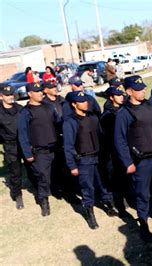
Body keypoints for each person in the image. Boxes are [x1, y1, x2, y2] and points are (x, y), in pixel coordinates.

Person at [114, 75, 152, 242]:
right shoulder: (124, 113)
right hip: (140, 161)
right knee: (142, 194)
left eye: (143, 88)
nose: (142, 91)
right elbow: (119, 140)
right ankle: (144, 223)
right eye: (138, 89)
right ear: (128, 91)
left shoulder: (150, 106)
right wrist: (128, 163)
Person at [62, 91, 118, 229]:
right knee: (87, 188)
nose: (86, 103)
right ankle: (90, 214)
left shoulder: (93, 117)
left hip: (99, 156)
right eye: (81, 101)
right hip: (83, 160)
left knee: (104, 182)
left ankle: (109, 204)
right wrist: (72, 165)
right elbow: (68, 146)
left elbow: (102, 137)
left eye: (86, 100)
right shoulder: (70, 122)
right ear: (74, 104)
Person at [18, 83, 60, 216]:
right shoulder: (26, 112)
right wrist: (27, 153)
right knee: (43, 178)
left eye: (41, 91)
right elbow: (23, 134)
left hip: (54, 147)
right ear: (30, 94)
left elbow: (57, 124)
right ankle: (43, 200)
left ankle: (59, 192)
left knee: (57, 174)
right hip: (39, 151)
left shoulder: (49, 107)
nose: (41, 93)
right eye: (37, 91)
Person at [100, 86, 131, 219]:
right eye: (118, 95)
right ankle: (120, 205)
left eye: (122, 95)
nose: (122, 97)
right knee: (117, 180)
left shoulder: (125, 110)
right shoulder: (108, 116)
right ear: (111, 98)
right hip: (113, 153)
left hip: (126, 150)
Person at [0, 83, 24, 209]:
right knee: (15, 173)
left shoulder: (20, 108)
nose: (10, 97)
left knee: (32, 169)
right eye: (7, 95)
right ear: (1, 96)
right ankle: (17, 195)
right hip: (10, 146)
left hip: (24, 144)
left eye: (11, 94)